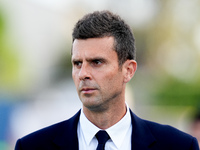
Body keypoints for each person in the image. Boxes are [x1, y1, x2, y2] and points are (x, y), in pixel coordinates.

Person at [15, 10, 199, 150]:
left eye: (96, 62)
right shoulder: (32, 146)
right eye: (77, 63)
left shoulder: (178, 146)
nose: (83, 74)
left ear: (128, 70)